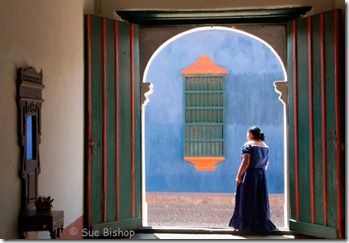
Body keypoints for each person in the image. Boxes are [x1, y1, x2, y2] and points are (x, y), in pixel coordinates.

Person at [229, 126, 276, 232]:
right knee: (259, 200)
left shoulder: (248, 145)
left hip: (250, 175)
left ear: (250, 134)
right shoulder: (265, 146)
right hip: (261, 175)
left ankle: (246, 225)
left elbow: (245, 163)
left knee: (247, 199)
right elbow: (266, 164)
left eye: (247, 134)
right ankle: (259, 225)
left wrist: (239, 176)